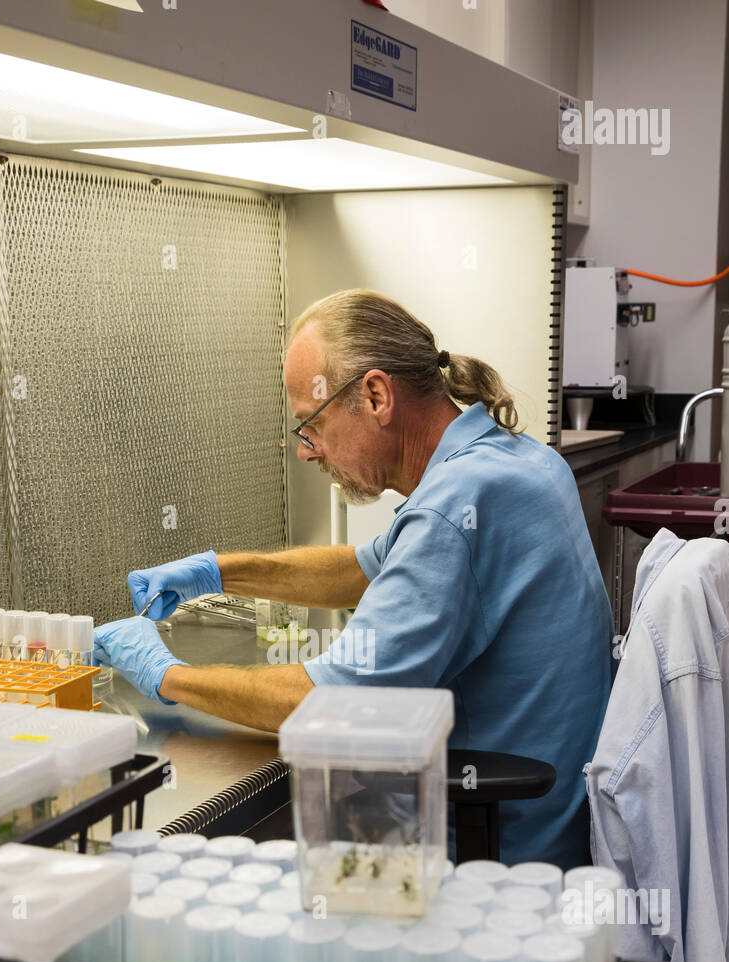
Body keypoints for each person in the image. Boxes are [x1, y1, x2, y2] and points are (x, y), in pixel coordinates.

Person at [94, 289, 613, 866]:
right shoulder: (513, 462)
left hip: (500, 854)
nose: (306, 453)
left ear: (375, 395)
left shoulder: (454, 508)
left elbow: (333, 699)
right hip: (558, 815)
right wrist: (215, 573)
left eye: (309, 425)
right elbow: (366, 568)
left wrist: (168, 676)